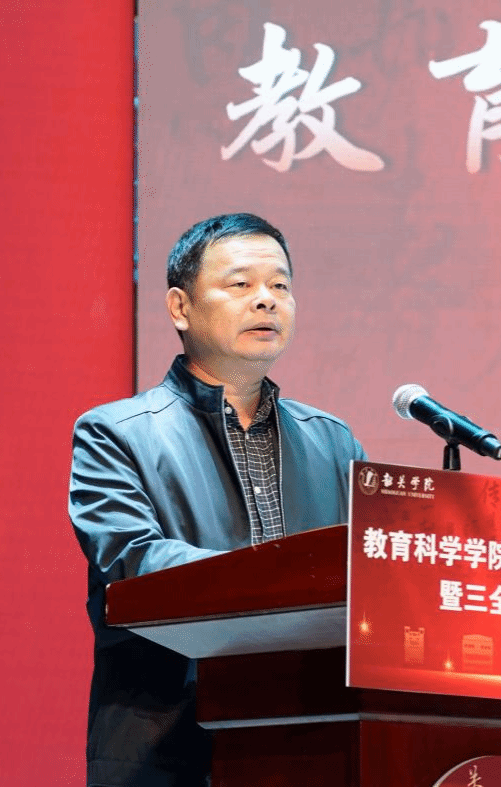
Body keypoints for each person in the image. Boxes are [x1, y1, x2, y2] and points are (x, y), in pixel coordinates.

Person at [68, 213, 365, 787]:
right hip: (171, 747)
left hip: (314, 745)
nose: (266, 300)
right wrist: (282, 584)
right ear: (180, 307)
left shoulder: (334, 442)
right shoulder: (116, 434)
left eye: (280, 285)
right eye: (241, 284)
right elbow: (135, 561)